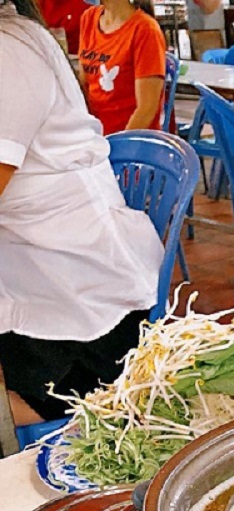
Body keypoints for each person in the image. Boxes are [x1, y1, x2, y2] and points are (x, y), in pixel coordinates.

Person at [0, 0, 163, 421]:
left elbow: (146, 105)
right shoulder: (78, 24)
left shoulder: (10, 51)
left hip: (79, 304)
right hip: (34, 280)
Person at [79, 0, 166, 136]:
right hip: (94, 136)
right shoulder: (88, 18)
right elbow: (83, 85)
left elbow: (146, 110)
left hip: (130, 142)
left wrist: (117, 146)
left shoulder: (146, 30)